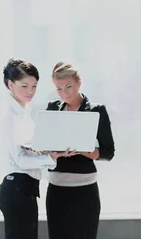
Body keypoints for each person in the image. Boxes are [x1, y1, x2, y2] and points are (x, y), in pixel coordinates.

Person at [45, 61, 115, 239]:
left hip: (85, 190)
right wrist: (54, 151)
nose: (64, 93)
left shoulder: (96, 110)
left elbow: (108, 152)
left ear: (79, 83)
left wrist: (84, 149)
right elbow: (45, 149)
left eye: (68, 86)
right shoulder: (53, 109)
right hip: (56, 190)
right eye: (59, 89)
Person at [0, 58, 64, 239]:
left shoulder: (24, 113)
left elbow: (29, 149)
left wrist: (50, 152)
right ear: (10, 84)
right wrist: (49, 158)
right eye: (24, 86)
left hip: (25, 189)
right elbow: (20, 160)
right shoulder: (10, 116)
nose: (30, 91)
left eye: (34, 86)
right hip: (16, 188)